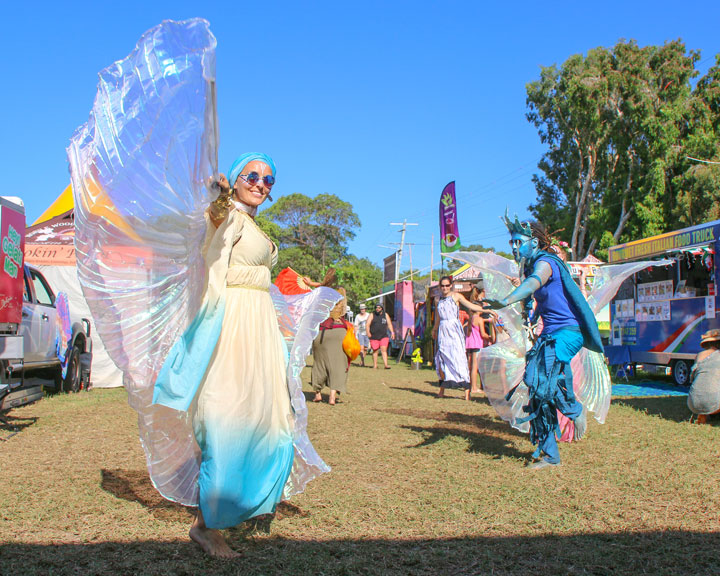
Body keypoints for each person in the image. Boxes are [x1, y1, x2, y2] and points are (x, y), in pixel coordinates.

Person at [152, 153, 338, 557]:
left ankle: (235, 502)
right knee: (226, 414)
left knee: (266, 417)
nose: (260, 183)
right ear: (235, 180)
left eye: (269, 178)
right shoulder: (229, 215)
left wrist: (311, 294)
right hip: (233, 323)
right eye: (251, 176)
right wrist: (217, 197)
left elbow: (267, 280)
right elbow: (213, 223)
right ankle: (205, 525)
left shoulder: (254, 224)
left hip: (260, 327)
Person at [484, 212, 603, 469]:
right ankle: (550, 454)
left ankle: (574, 409)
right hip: (549, 333)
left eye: (519, 242)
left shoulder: (546, 263)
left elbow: (534, 282)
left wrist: (507, 300)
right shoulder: (529, 265)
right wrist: (529, 313)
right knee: (536, 390)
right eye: (512, 243)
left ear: (534, 243)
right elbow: (538, 296)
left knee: (545, 381)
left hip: (568, 332)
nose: (515, 247)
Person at [433, 276, 487, 401]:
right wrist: (435, 329)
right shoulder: (437, 299)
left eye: (447, 285)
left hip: (454, 329)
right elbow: (438, 316)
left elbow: (470, 306)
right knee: (441, 358)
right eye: (443, 286)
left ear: (451, 285)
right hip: (443, 330)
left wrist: (487, 309)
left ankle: (467, 391)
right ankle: (442, 390)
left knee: (459, 358)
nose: (445, 288)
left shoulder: (456, 296)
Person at [312, 288, 350, 405]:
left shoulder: (323, 302)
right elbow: (343, 313)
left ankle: (317, 394)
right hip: (339, 332)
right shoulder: (342, 303)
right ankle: (332, 397)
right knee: (338, 365)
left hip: (322, 332)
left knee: (319, 363)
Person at [465, 281, 494, 395]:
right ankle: (475, 386)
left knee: (472, 364)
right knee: (477, 364)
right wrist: (490, 337)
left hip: (471, 341)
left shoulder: (472, 314)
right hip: (479, 341)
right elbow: (483, 332)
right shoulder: (479, 309)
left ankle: (474, 385)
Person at [688, 329, 720, 423]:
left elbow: (693, 378)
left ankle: (702, 414)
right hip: (715, 402)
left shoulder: (700, 355)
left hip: (693, 403)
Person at [367, 304, 395, 369]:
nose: (377, 309)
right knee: (375, 350)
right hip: (374, 336)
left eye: (379, 308)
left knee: (384, 350)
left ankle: (386, 365)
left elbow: (389, 324)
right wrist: (368, 332)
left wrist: (392, 332)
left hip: (384, 336)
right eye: (376, 308)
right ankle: (375, 365)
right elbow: (367, 324)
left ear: (382, 308)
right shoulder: (372, 315)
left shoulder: (385, 315)